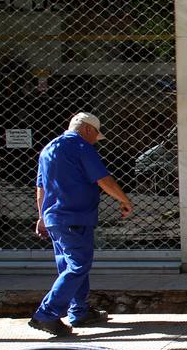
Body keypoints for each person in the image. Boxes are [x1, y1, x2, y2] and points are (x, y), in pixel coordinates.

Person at [29, 112, 133, 335]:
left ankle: (79, 311)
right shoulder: (81, 147)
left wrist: (42, 217)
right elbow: (103, 179)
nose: (96, 140)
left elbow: (41, 187)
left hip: (55, 219)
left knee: (69, 267)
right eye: (96, 135)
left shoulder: (48, 149)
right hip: (74, 217)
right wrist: (124, 200)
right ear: (87, 129)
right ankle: (46, 314)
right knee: (78, 265)